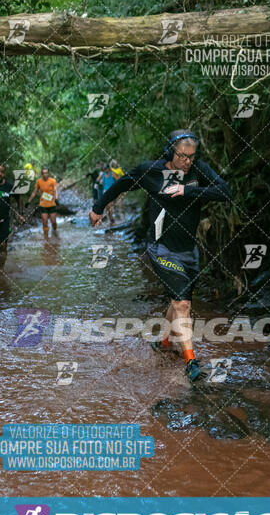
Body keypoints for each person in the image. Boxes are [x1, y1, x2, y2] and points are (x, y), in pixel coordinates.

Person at [89, 130, 232, 382]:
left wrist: (187, 191)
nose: (187, 161)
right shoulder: (151, 171)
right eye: (182, 156)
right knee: (183, 304)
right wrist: (98, 207)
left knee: (179, 299)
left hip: (188, 250)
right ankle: (191, 363)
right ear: (169, 152)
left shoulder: (198, 170)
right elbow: (122, 184)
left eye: (191, 156)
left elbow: (225, 192)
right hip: (160, 248)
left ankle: (164, 341)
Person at [27, 167, 58, 238]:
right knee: (45, 222)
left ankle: (54, 232)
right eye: (43, 173)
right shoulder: (39, 181)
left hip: (52, 204)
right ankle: (46, 239)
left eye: (46, 173)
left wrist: (56, 197)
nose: (45, 175)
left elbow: (55, 190)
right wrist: (29, 201)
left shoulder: (52, 180)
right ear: (41, 174)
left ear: (48, 173)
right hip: (43, 205)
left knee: (54, 222)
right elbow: (34, 192)